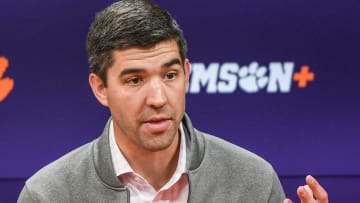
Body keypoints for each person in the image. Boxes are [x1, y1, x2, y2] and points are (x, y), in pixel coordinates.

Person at [18, 0, 328, 202]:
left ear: (186, 74)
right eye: (135, 80)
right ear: (100, 88)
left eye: (169, 75)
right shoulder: (48, 194)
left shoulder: (254, 182)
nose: (158, 98)